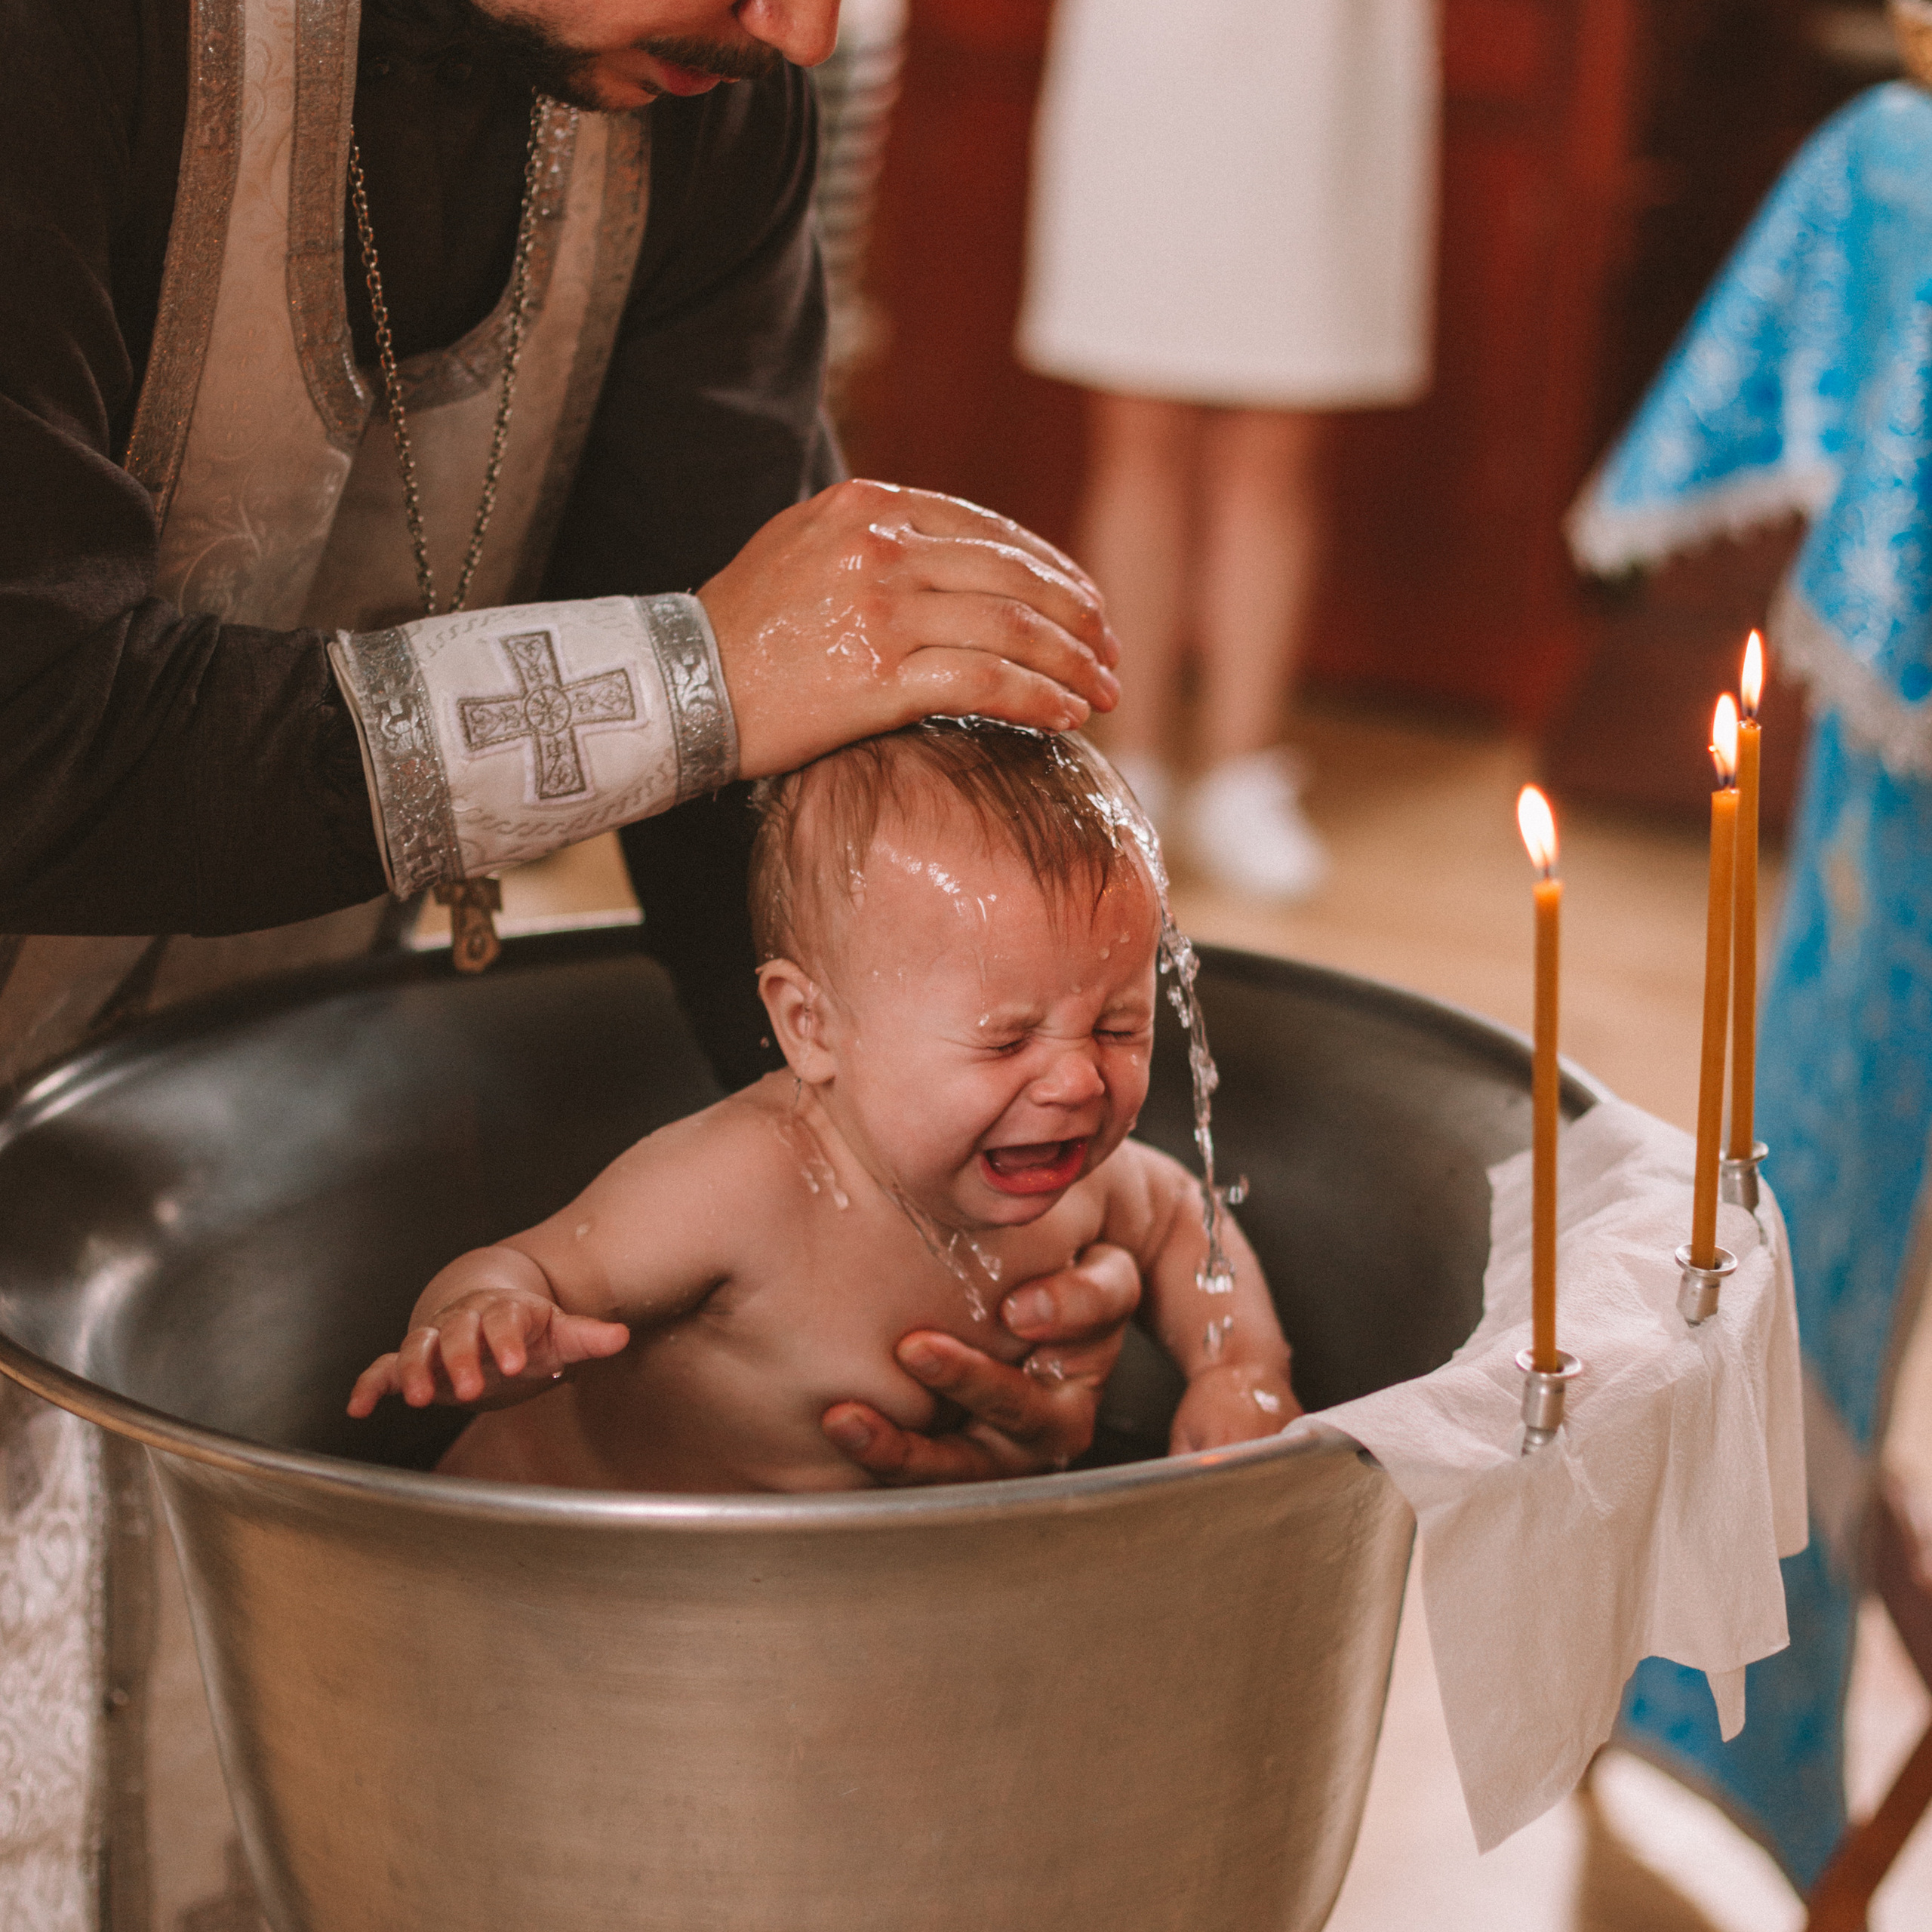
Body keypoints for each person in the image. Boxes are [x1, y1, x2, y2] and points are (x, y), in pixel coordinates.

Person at [0, 0, 1137, 1483]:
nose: (798, 37)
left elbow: (755, 816)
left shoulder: (706, 106)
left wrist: (952, 1274)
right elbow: (29, 733)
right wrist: (690, 675)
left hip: (233, 1116)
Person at [347, 721, 1299, 1488]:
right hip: (554, 1560)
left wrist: (1241, 1370)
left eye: (1121, 1025)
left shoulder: (1085, 1180)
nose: (1078, 1082)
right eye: (1006, 1040)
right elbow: (522, 1266)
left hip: (815, 1596)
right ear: (812, 1028)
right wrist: (485, 1319)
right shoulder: (741, 1183)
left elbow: (1184, 1222)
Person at [1017, 0, 1438, 900]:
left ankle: (1240, 771)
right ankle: (1132, 766)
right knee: (1138, 429)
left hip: (1319, 56)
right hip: (1151, 47)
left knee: (1279, 439)